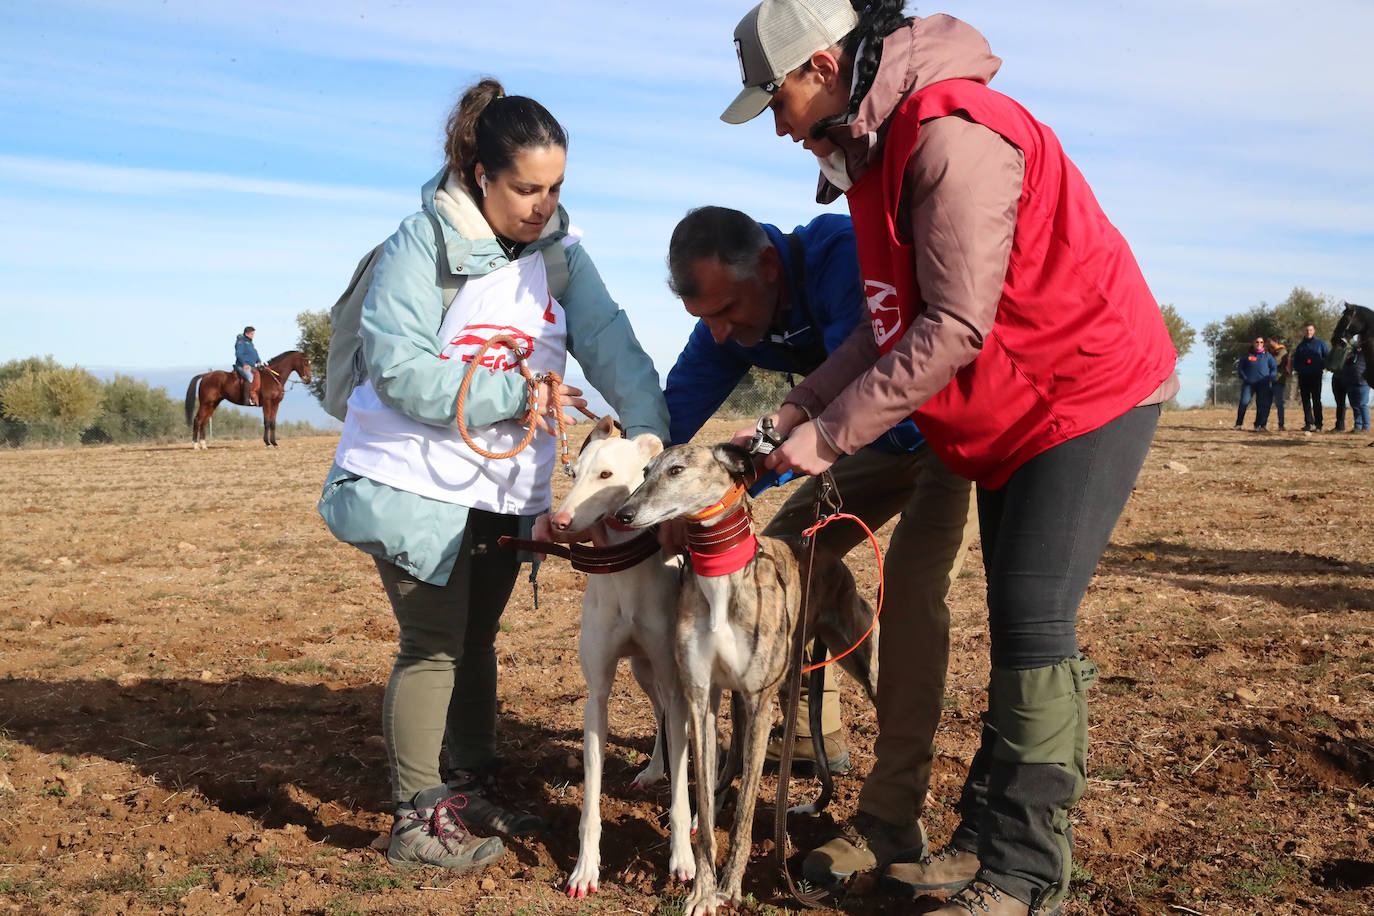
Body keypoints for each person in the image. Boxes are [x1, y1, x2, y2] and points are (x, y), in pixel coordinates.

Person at [719, 2, 1178, 913]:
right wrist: (794, 414)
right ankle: (983, 838)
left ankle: (1025, 869)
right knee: (1019, 619)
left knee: (1034, 615)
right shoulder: (876, 149)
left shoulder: (949, 135)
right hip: (1013, 406)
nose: (775, 122)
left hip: (1084, 389)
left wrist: (829, 438)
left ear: (821, 65)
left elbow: (954, 325)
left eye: (776, 97)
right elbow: (888, 320)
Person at [317, 79, 669, 874]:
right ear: (481, 175)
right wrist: (520, 390)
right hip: (413, 479)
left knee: (477, 639)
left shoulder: (560, 256)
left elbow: (615, 346)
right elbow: (400, 369)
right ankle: (415, 816)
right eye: (525, 188)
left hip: (497, 488)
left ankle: (469, 781)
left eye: (555, 189)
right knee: (433, 644)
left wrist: (653, 444)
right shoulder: (420, 243)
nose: (542, 206)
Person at [661, 205, 979, 882]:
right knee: (772, 568)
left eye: (728, 310)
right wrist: (635, 483)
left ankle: (893, 812)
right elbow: (675, 412)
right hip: (860, 442)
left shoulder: (841, 254)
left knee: (914, 593)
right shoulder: (727, 316)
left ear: (769, 267)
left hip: (940, 438)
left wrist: (801, 430)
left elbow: (874, 366)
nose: (719, 333)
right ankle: (810, 734)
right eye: (704, 320)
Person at [1292, 323, 1330, 431]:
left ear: (1314, 331)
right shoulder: (1301, 346)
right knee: (1305, 400)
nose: (1308, 332)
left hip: (1316, 375)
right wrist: (1299, 369)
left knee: (1316, 399)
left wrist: (1321, 366)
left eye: (1310, 330)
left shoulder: (1321, 344)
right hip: (1303, 376)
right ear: (1304, 332)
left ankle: (1319, 424)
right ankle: (1309, 423)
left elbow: (1327, 357)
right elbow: (1296, 361)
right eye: (1307, 330)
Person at [1234, 337, 1277, 430]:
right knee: (1244, 402)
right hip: (1249, 385)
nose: (1259, 343)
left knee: (1262, 405)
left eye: (1261, 342)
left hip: (1264, 385)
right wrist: (1245, 378)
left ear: (1263, 344)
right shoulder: (1247, 357)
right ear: (1253, 343)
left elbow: (1274, 369)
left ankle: (1258, 425)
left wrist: (1269, 378)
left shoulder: (1268, 357)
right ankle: (1238, 424)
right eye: (1257, 342)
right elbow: (1240, 369)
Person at [1340, 334, 1370, 432]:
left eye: (1361, 338)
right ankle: (1357, 426)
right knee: (1355, 405)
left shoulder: (1368, 351)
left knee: (1362, 404)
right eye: (1359, 338)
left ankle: (1366, 426)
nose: (1359, 340)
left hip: (1363, 382)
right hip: (1351, 382)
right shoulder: (1353, 351)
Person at [234, 326, 263, 406]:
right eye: (252, 334)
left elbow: (254, 353)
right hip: (242, 366)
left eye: (253, 334)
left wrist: (258, 361)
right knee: (250, 377)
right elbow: (239, 354)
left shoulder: (250, 342)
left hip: (252, 366)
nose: (253, 335)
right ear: (247, 333)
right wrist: (244, 364)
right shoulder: (241, 342)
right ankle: (246, 399)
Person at [1327, 334, 1350, 432]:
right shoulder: (1334, 350)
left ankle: (1360, 425)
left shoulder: (1351, 350)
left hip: (1348, 378)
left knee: (1357, 403)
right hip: (1336, 377)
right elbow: (1329, 363)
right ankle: (1340, 426)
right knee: (1340, 403)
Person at [1267, 335, 1290, 430]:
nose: (1268, 344)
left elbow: (1275, 362)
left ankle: (1281, 425)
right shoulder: (1270, 352)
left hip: (1278, 380)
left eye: (1269, 342)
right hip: (1268, 380)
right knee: (1266, 403)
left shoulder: (1282, 351)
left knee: (1279, 403)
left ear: (1275, 341)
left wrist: (1267, 356)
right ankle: (1262, 425)